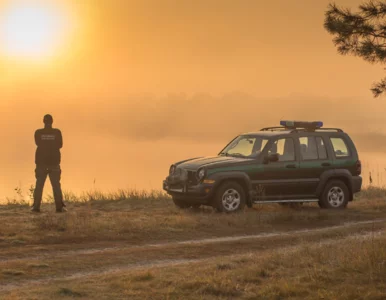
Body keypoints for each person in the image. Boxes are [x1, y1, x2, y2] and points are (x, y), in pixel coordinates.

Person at [31, 114, 66, 213]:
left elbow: (38, 143)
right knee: (56, 186)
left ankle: (36, 207)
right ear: (52, 121)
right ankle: (59, 207)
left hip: (41, 163)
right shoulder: (57, 132)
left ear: (43, 121)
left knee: (39, 185)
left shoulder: (38, 132)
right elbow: (60, 145)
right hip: (54, 163)